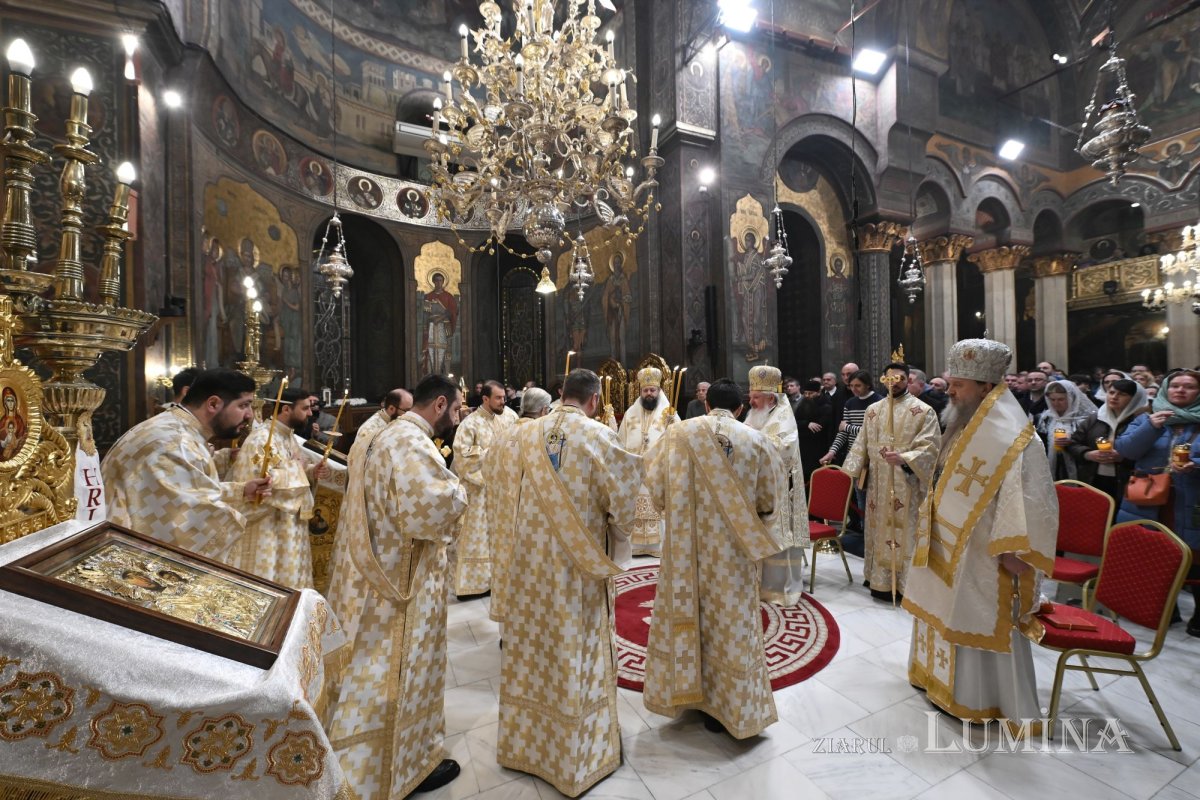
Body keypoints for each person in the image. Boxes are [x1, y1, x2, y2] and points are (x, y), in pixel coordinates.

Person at [491, 369, 642, 797]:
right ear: (594, 400)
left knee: (533, 647)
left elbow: (497, 488)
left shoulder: (519, 435)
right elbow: (625, 505)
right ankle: (579, 753)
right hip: (578, 567)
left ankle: (526, 744)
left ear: (561, 394)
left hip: (528, 565)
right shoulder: (599, 437)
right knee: (577, 646)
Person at [324, 375, 468, 797]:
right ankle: (405, 767)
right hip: (404, 579)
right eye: (456, 408)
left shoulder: (386, 435)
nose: (458, 417)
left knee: (374, 667)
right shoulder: (410, 442)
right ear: (439, 404)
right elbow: (431, 510)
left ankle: (370, 762)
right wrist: (459, 491)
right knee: (401, 668)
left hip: (381, 570)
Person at [903, 339, 1057, 731]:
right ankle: (933, 679)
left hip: (986, 549)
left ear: (986, 387)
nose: (950, 391)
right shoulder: (962, 424)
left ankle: (979, 697)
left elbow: (1028, 496)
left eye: (959, 385)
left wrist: (1014, 548)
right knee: (945, 606)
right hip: (947, 540)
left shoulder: (1018, 438)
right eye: (951, 383)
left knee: (978, 613)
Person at [642, 377, 784, 737]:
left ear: (707, 405)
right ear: (740, 408)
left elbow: (653, 485)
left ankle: (686, 694)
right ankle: (727, 707)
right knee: (730, 623)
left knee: (689, 614)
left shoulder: (678, 434)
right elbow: (769, 502)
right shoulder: (757, 441)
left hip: (684, 549)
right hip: (734, 554)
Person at [102, 369, 271, 560]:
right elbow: (188, 524)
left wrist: (241, 492)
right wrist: (262, 510)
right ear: (213, 404)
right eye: (244, 405)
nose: (250, 415)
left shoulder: (173, 428)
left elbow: (185, 492)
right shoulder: (176, 443)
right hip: (123, 556)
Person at [842, 361, 941, 603]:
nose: (893, 384)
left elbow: (931, 447)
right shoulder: (873, 410)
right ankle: (879, 581)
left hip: (907, 484)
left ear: (908, 380)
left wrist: (905, 458)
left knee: (904, 532)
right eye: (889, 379)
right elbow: (862, 442)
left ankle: (905, 584)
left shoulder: (923, 411)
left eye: (900, 379)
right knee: (877, 530)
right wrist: (853, 470)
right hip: (877, 483)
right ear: (883, 380)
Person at [226, 387, 328, 589]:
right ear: (286, 409)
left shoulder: (287, 436)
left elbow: (290, 469)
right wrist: (298, 470)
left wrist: (310, 472)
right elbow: (258, 482)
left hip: (289, 525)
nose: (310, 413)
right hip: (268, 528)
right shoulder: (261, 439)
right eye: (305, 408)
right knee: (272, 582)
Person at [484, 386, 553, 626]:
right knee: (532, 574)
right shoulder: (541, 436)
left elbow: (487, 472)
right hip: (532, 524)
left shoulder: (502, 435)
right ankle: (529, 628)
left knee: (507, 570)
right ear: (544, 410)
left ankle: (507, 630)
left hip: (501, 520)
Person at [744, 366, 810, 606]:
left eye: (756, 397)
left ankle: (778, 589)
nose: (751, 402)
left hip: (779, 492)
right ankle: (756, 583)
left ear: (770, 399)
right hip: (758, 489)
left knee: (777, 537)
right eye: (750, 396)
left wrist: (752, 440)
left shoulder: (784, 418)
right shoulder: (755, 415)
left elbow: (784, 449)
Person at [451, 379, 517, 597]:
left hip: (505, 489)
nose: (503, 401)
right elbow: (462, 456)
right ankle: (475, 585)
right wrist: (493, 454)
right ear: (485, 399)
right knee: (476, 537)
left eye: (504, 397)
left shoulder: (511, 417)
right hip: (479, 491)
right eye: (498, 398)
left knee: (504, 535)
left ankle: (502, 578)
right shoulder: (469, 424)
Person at [615, 367, 679, 556]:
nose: (649, 393)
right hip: (635, 471)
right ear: (640, 391)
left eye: (652, 390)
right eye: (645, 390)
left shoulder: (669, 413)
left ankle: (656, 547)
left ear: (659, 391)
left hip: (657, 471)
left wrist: (673, 426)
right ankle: (635, 546)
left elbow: (679, 441)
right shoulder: (630, 413)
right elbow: (620, 440)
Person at [1066, 378, 1145, 505]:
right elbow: (1073, 443)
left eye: (1122, 394)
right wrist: (1088, 454)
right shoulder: (1095, 418)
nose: (1114, 397)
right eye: (1111, 392)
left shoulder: (1142, 422)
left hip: (1127, 480)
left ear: (1134, 399)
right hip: (1093, 477)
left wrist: (1123, 458)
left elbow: (1149, 453)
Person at [1033, 380, 1094, 480]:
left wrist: (1071, 442)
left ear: (1071, 398)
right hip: (1050, 464)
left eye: (1061, 399)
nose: (1056, 403)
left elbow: (1091, 442)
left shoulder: (1084, 419)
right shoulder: (1044, 418)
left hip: (1079, 464)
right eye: (1052, 399)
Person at [350, 388, 412, 467]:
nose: (410, 415)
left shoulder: (401, 422)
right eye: (407, 411)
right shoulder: (369, 430)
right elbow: (364, 462)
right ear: (391, 408)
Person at [794, 379, 832, 485]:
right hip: (803, 446)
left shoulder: (826, 406)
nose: (807, 396)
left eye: (810, 393)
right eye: (805, 393)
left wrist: (805, 426)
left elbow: (818, 428)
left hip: (819, 446)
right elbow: (794, 422)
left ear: (818, 392)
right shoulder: (802, 405)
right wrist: (807, 424)